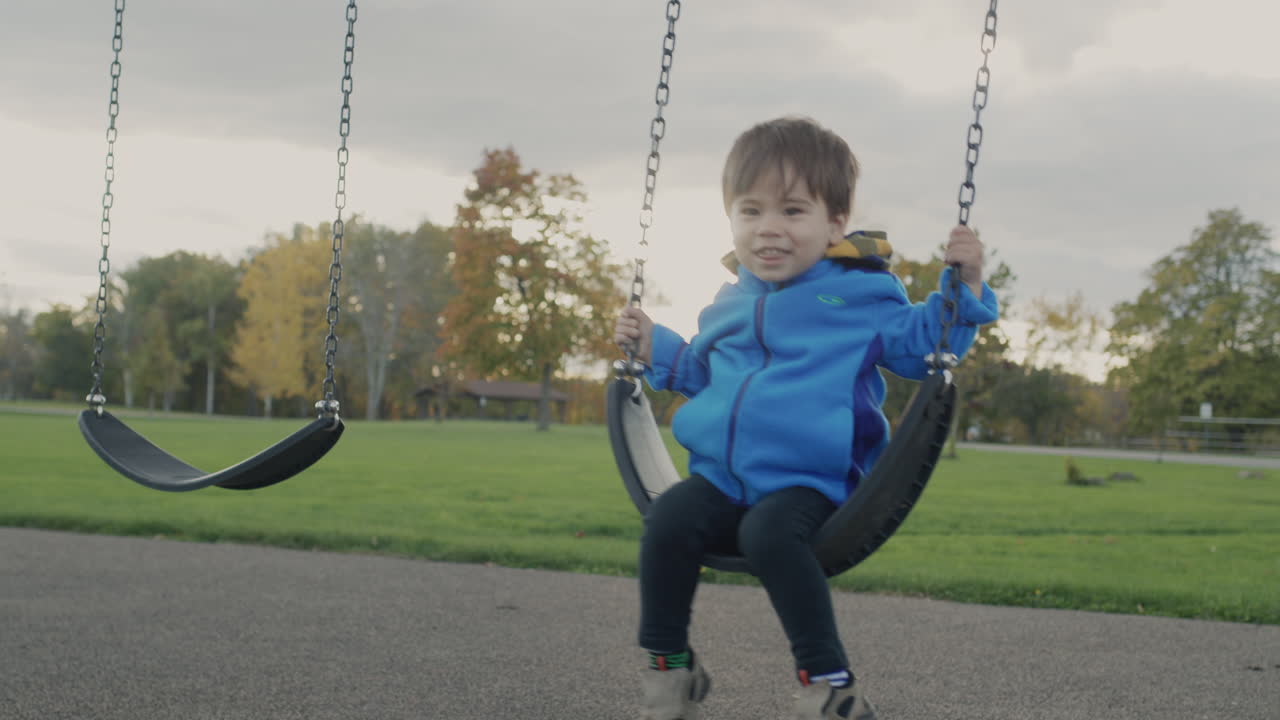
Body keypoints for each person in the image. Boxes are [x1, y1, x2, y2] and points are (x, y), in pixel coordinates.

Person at [613, 116, 999, 720]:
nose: (769, 230)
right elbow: (702, 373)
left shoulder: (860, 296)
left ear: (835, 223)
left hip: (812, 483)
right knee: (669, 517)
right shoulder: (730, 301)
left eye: (793, 212)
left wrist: (965, 284)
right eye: (750, 211)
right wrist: (651, 349)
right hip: (724, 479)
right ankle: (671, 669)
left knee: (766, 533)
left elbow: (924, 345)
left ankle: (829, 684)